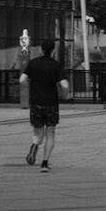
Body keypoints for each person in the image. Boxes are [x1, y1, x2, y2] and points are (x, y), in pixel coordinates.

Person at [23, 37, 66, 169]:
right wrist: (65, 93)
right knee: (50, 133)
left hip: (36, 102)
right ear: (53, 51)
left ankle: (35, 145)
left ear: (41, 50)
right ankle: (45, 163)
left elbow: (21, 79)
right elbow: (64, 84)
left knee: (38, 133)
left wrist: (31, 84)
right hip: (51, 103)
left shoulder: (33, 63)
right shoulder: (56, 65)